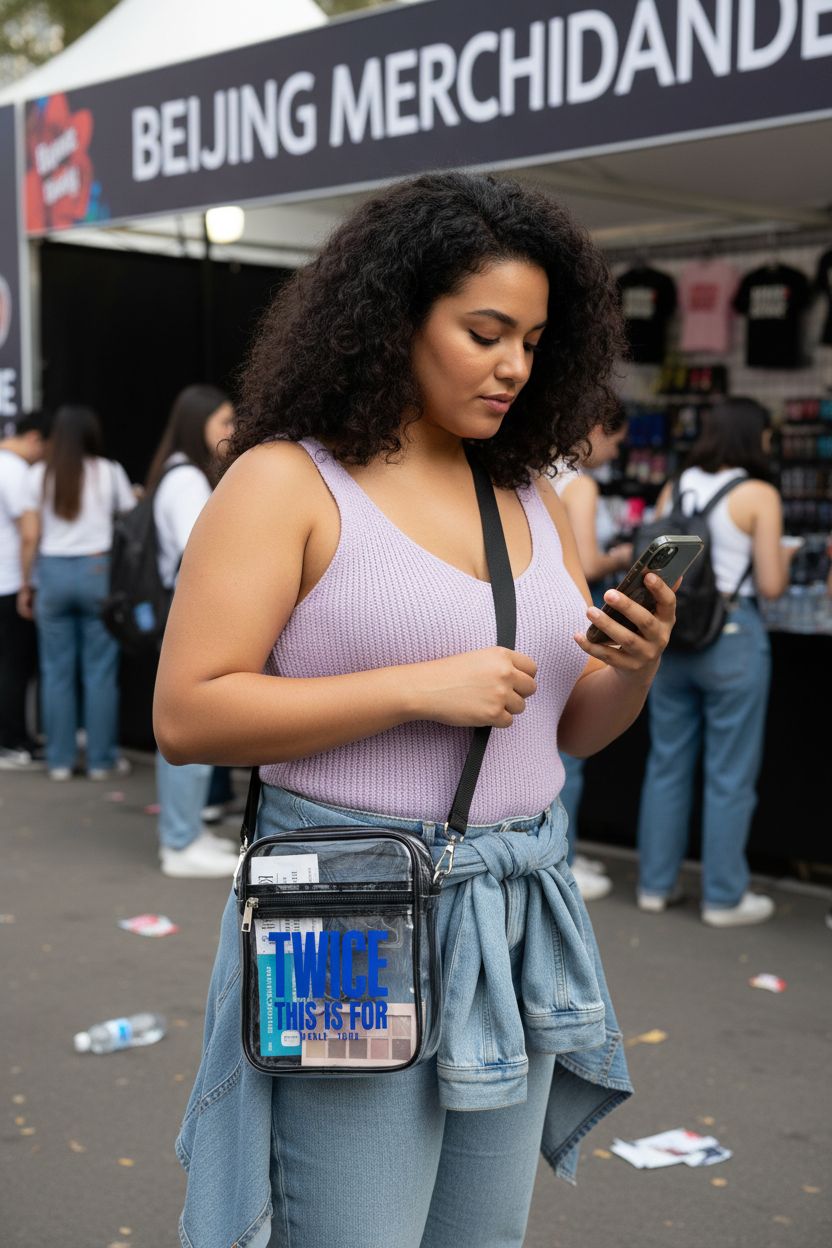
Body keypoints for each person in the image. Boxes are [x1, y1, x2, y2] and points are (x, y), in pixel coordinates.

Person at [154, 172, 678, 1248]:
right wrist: (415, 690)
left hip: (515, 915)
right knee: (346, 1228)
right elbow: (189, 716)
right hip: (342, 914)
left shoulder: (527, 492)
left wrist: (632, 666)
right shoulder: (286, 483)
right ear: (395, 316)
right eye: (485, 332)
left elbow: (567, 729)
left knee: (481, 1236)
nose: (514, 367)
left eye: (533, 340)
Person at [637, 398, 795, 927]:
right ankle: (723, 896)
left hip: (674, 637)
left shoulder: (676, 484)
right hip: (732, 638)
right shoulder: (759, 495)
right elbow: (770, 585)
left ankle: (654, 886)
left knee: (666, 763)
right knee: (730, 772)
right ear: (754, 437)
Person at [148, 383, 238, 878]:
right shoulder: (186, 480)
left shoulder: (178, 472)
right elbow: (199, 553)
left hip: (184, 616)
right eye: (224, 421)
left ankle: (187, 834)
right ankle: (180, 842)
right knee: (190, 734)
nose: (231, 431)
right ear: (197, 421)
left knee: (195, 736)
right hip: (191, 619)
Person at [18, 405, 136, 780]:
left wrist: (26, 584)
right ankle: (101, 760)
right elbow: (130, 516)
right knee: (100, 672)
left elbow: (30, 535)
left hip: (52, 572)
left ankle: (59, 761)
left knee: (56, 672)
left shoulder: (37, 475)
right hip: (96, 572)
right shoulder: (109, 471)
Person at [548, 409, 633, 900]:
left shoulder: (535, 476)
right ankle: (567, 858)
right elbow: (583, 560)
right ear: (596, 429)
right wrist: (622, 557)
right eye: (616, 442)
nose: (617, 453)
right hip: (580, 614)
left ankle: (565, 851)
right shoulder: (577, 485)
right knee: (567, 758)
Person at [0, 410, 52, 769]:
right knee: (15, 667)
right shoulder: (16, 471)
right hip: (9, 581)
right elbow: (30, 532)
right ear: (35, 438)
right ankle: (13, 742)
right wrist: (26, 583)